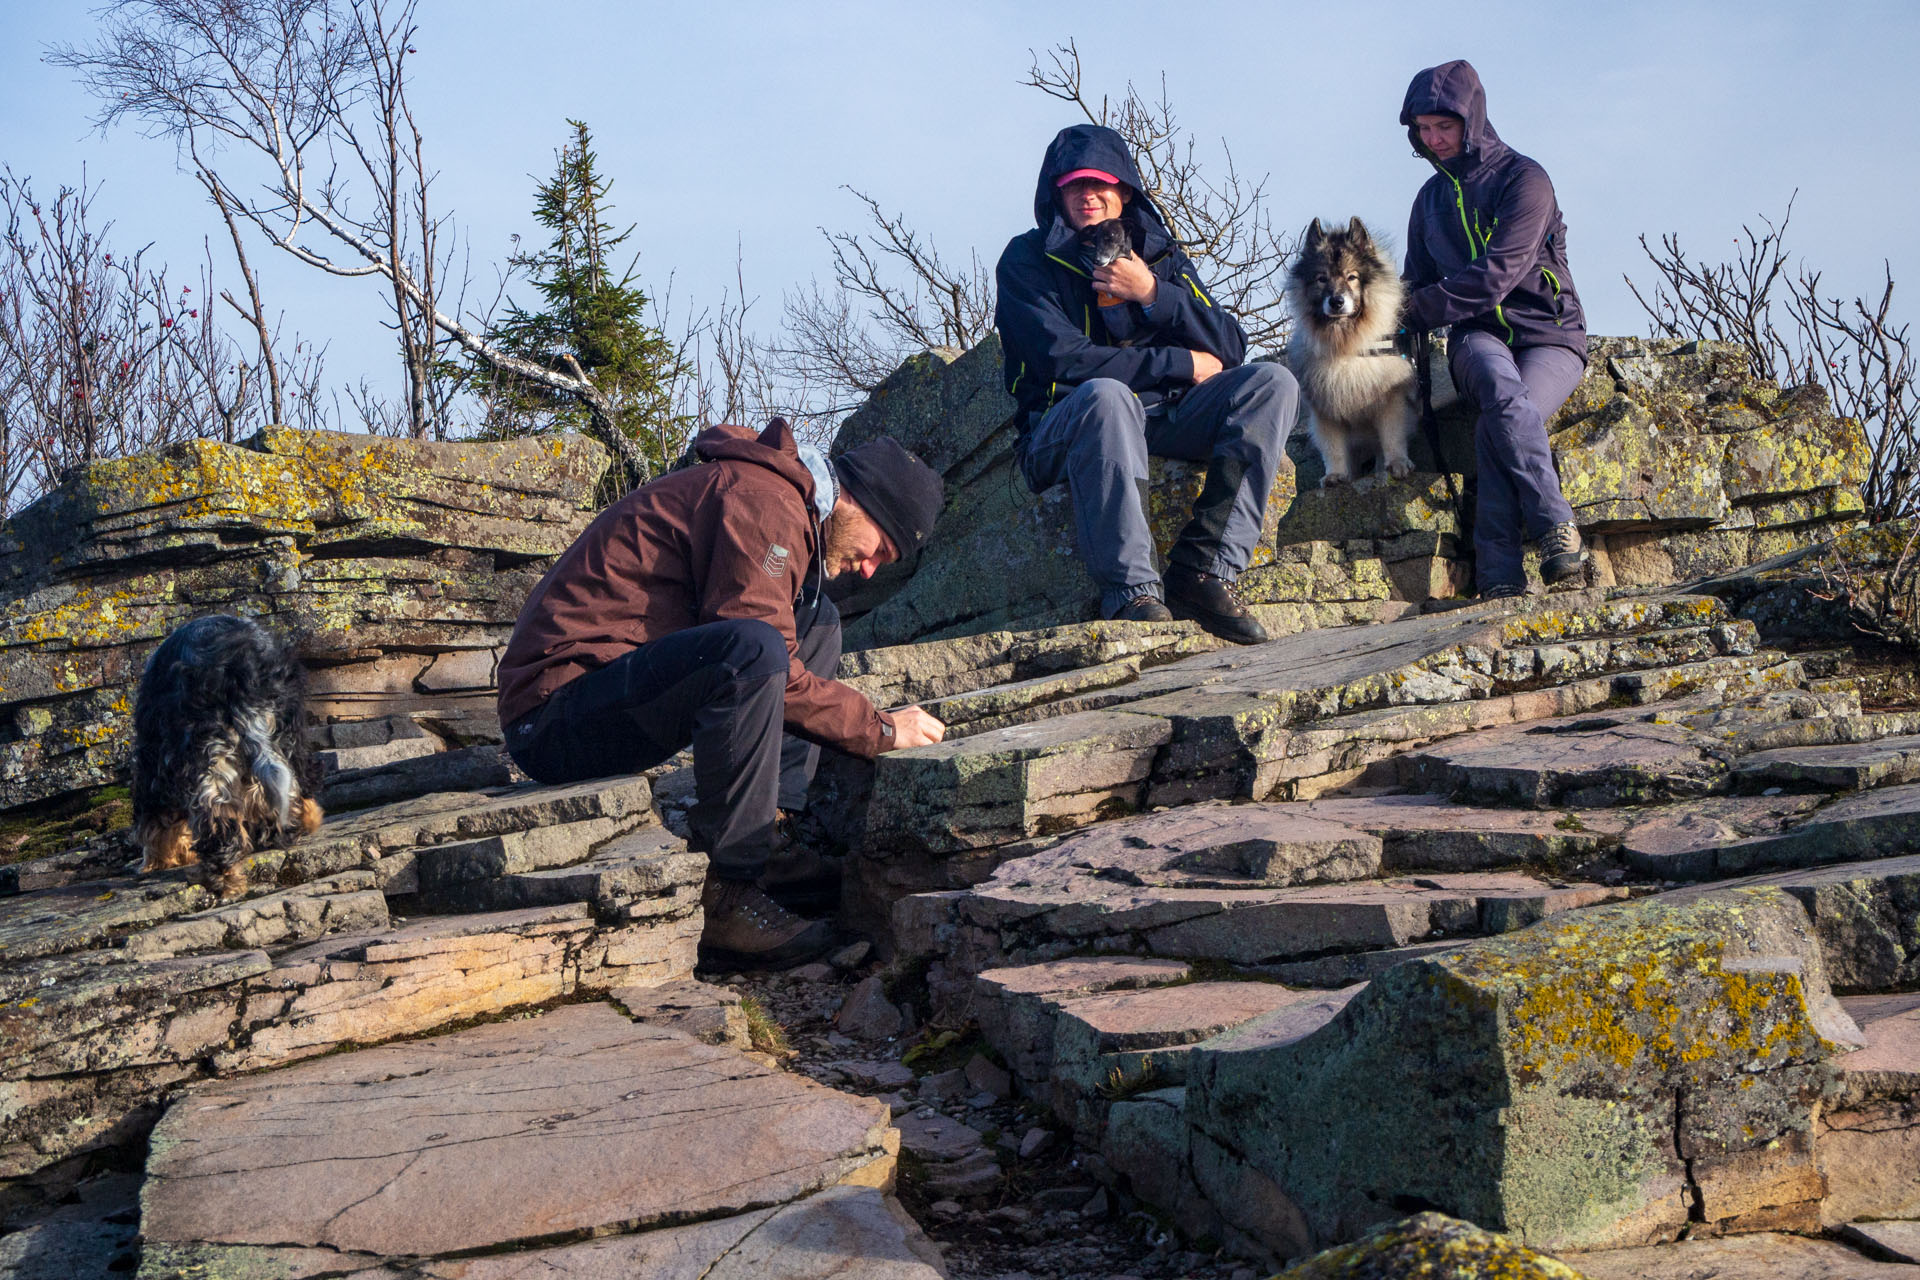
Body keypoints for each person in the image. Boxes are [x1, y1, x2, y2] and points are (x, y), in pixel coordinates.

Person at [495, 422, 947, 968]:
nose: (870, 570)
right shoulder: (766, 502)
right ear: (857, 502)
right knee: (755, 646)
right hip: (551, 718)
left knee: (816, 618)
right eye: (881, 548)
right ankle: (729, 891)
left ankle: (770, 832)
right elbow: (750, 649)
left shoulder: (781, 500)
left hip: (602, 696)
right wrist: (880, 728)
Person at [995, 123, 1299, 644]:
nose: (1087, 195)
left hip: (1166, 417)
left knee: (1273, 383)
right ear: (1055, 194)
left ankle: (1203, 572)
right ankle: (1132, 592)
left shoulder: (1158, 252)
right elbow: (1067, 363)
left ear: (1124, 190)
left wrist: (1154, 291)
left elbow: (1229, 344)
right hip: (1065, 427)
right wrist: (1180, 363)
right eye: (1073, 186)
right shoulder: (1027, 261)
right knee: (1108, 398)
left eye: (1099, 184)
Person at [1400, 59, 1591, 598]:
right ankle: (1555, 527)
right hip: (1474, 337)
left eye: (1445, 126)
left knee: (1497, 422)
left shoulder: (1525, 179)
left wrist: (1416, 310)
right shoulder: (1427, 201)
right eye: (1424, 129)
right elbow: (1415, 281)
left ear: (1472, 120)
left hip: (1549, 332)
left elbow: (1496, 276)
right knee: (1499, 389)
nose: (1434, 139)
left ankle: (1501, 576)